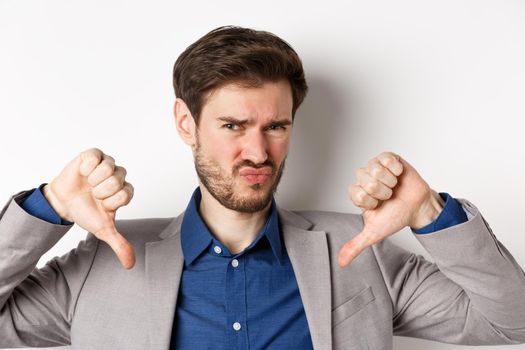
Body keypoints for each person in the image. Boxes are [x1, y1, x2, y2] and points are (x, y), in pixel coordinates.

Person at [1, 25, 524, 350]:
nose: (257, 152)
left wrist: (430, 213)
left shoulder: (361, 253)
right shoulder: (101, 264)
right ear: (186, 124)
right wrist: (47, 210)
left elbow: (513, 324)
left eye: (276, 126)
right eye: (232, 126)